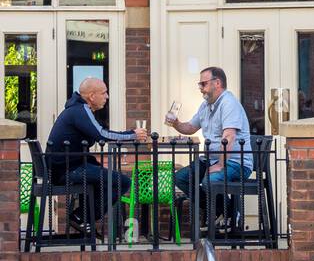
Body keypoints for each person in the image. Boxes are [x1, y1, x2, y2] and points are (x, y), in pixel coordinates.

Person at [45, 77, 148, 228]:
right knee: (121, 181)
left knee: (105, 179)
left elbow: (97, 133)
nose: (107, 96)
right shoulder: (80, 110)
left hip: (65, 167)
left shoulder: (78, 109)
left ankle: (83, 219)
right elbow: (102, 134)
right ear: (92, 96)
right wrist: (133, 135)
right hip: (66, 171)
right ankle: (81, 217)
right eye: (104, 93)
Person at [167, 67, 254, 214]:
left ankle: (229, 216)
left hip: (235, 162)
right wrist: (176, 123)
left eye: (203, 84)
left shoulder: (229, 103)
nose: (201, 88)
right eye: (200, 84)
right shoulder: (206, 105)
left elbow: (229, 137)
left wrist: (221, 164)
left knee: (210, 181)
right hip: (210, 159)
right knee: (180, 178)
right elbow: (190, 127)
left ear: (217, 83)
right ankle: (223, 212)